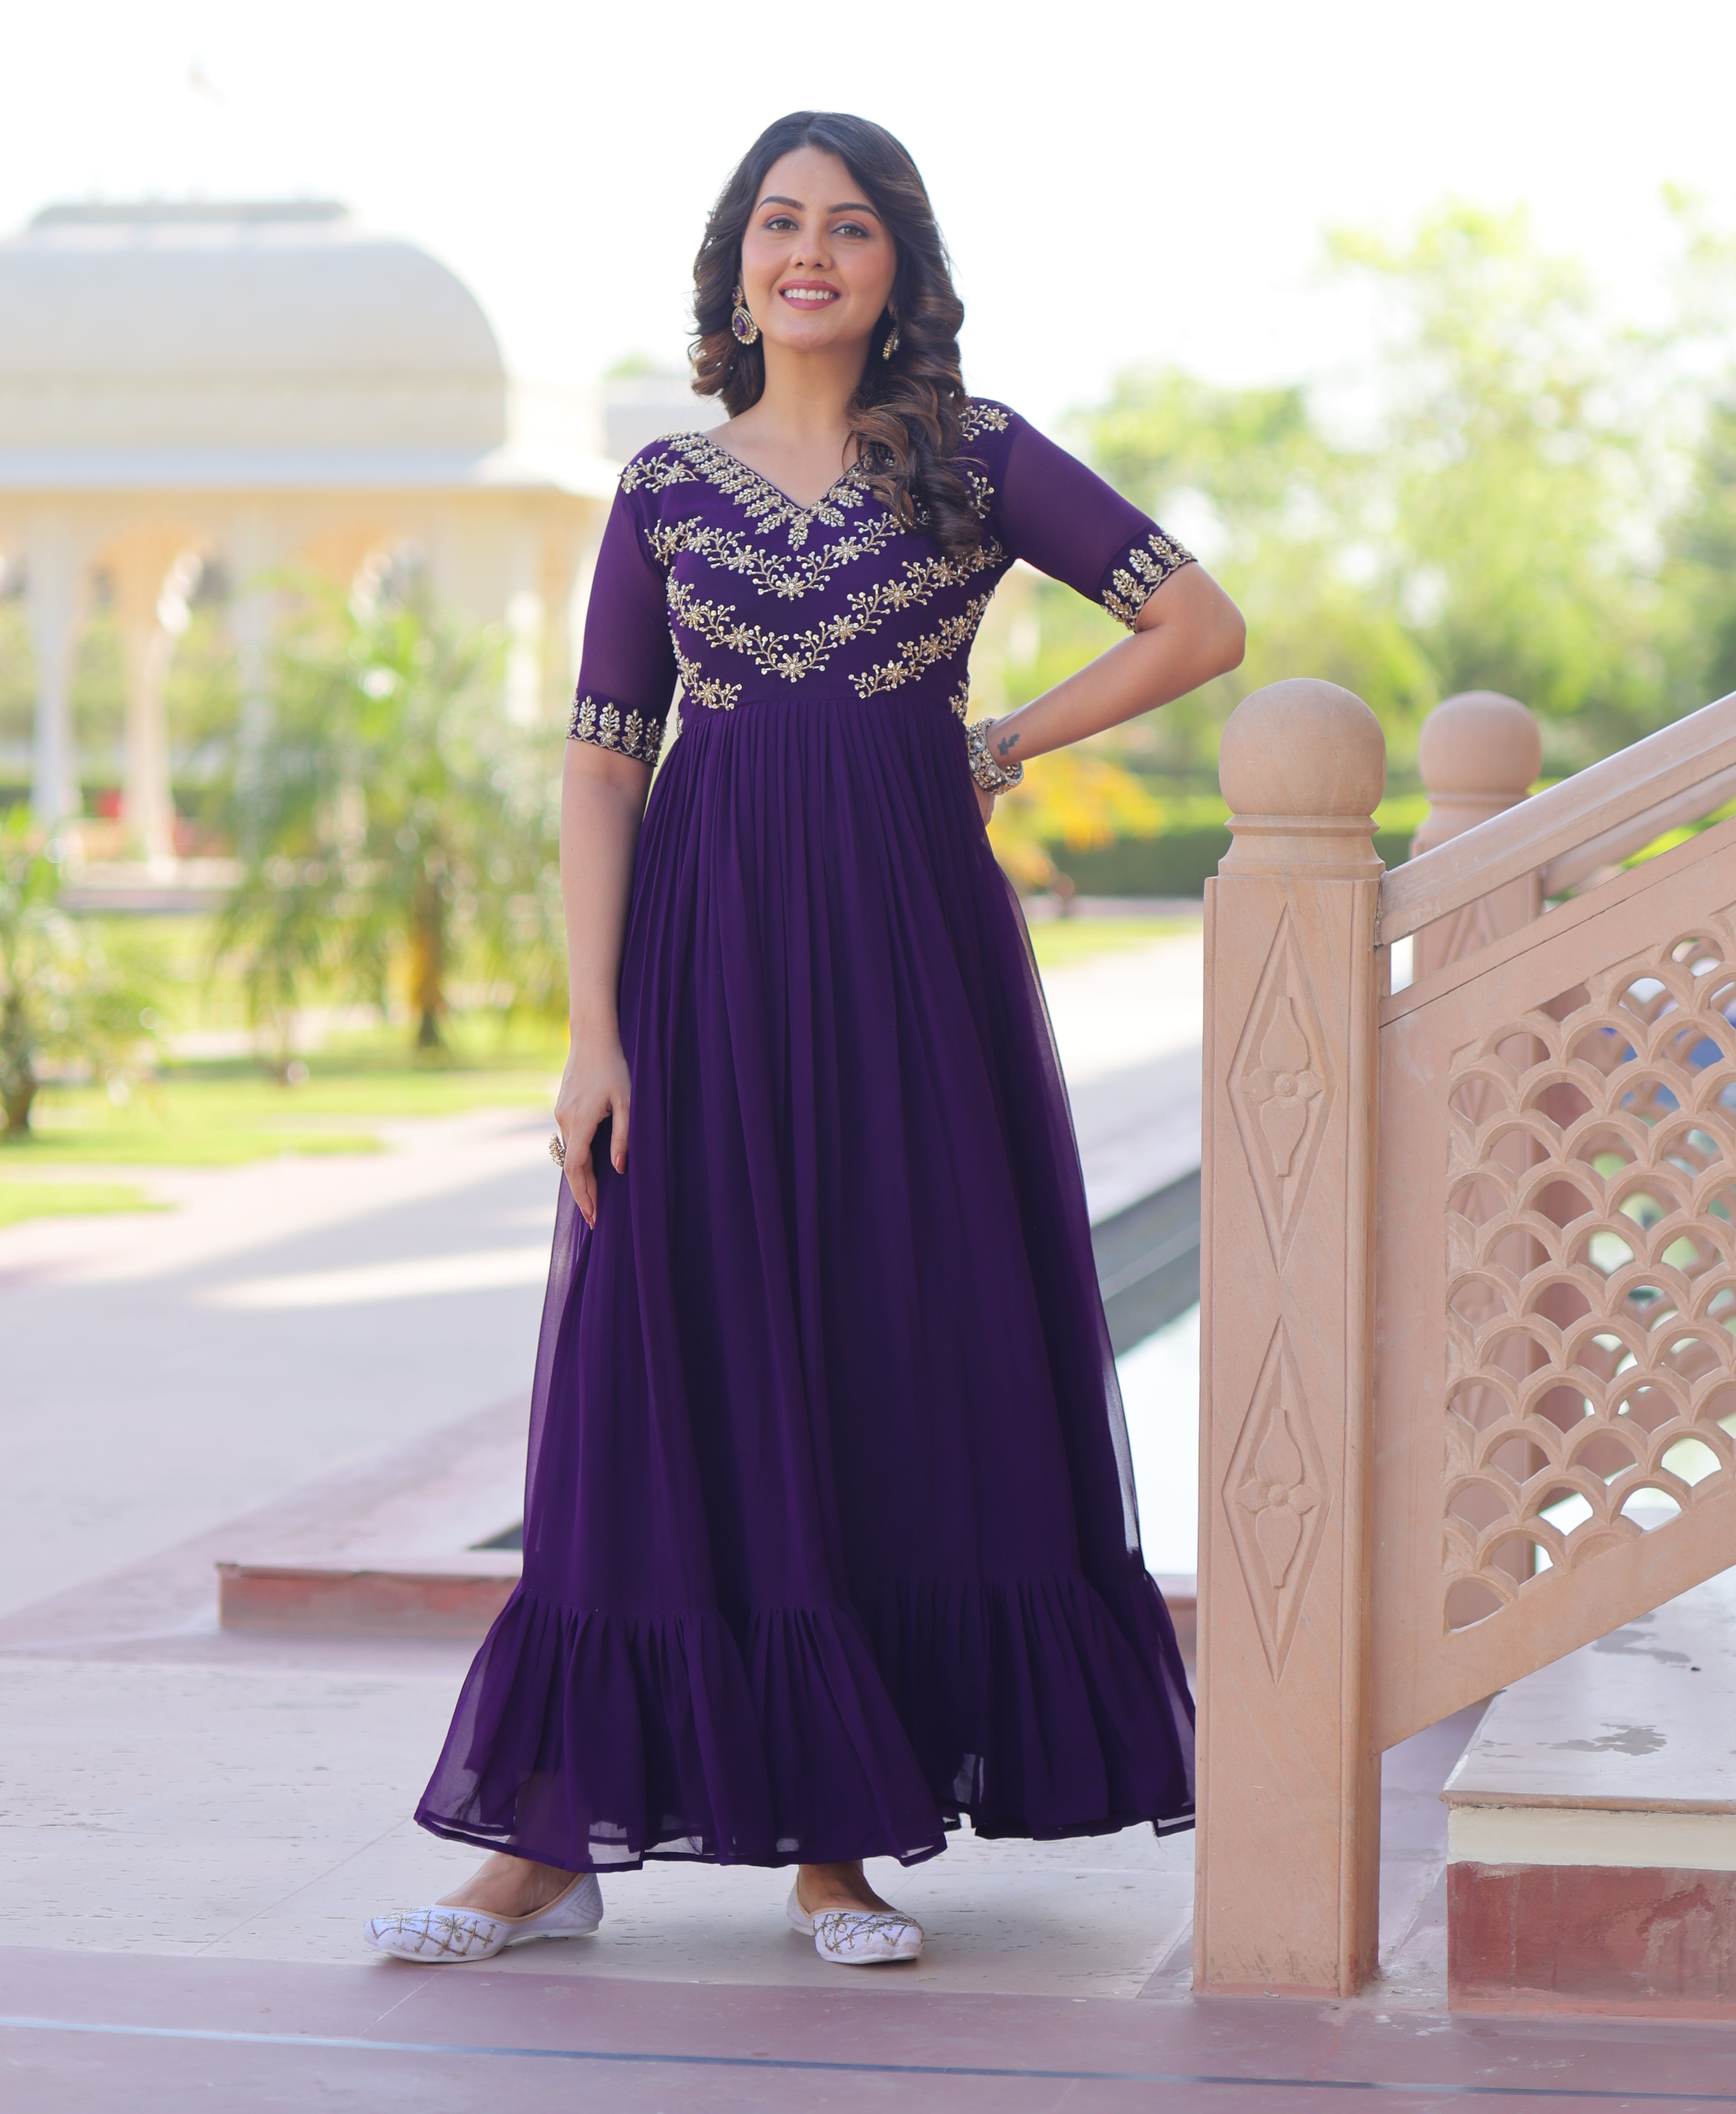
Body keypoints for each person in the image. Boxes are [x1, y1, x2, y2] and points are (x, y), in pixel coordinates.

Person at [366, 112, 1244, 1971]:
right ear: (736, 261)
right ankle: (545, 1848)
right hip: (697, 968)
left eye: (851, 226)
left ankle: (844, 1845)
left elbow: (1196, 621)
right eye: (780, 222)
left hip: (912, 963)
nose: (812, 251)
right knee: (656, 1363)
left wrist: (1004, 744)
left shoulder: (979, 458)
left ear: (899, 268)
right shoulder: (662, 489)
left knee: (881, 1341)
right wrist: (594, 1034)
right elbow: (606, 762)